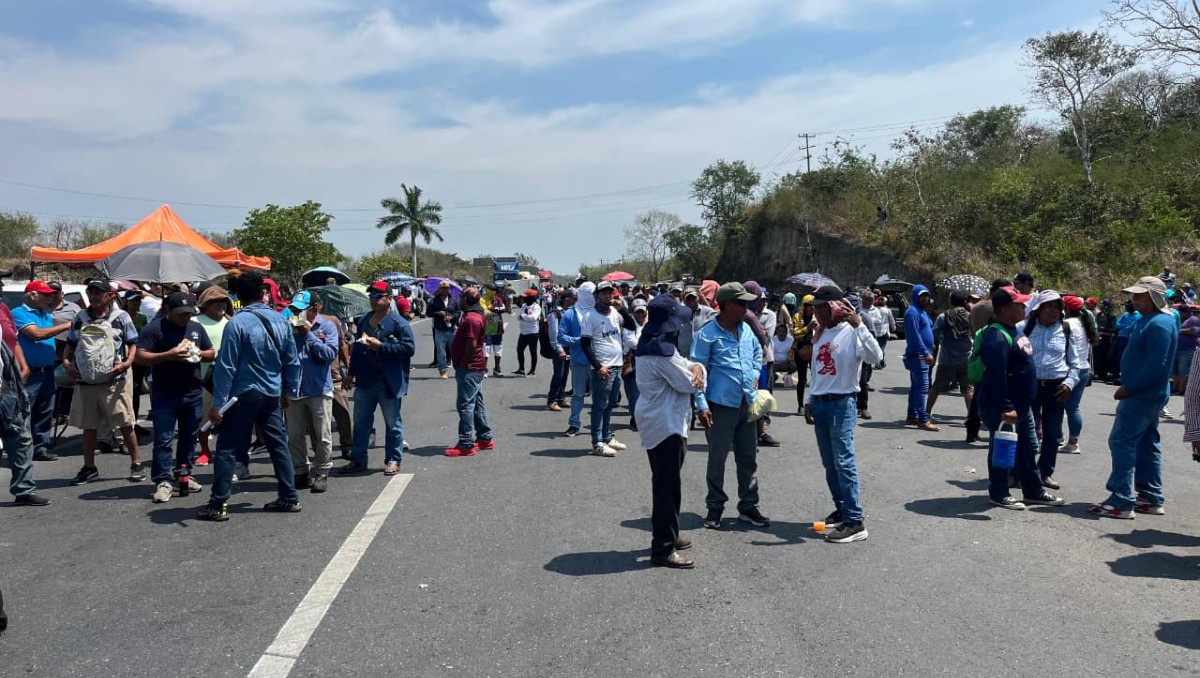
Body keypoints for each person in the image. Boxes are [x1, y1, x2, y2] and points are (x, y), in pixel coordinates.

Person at [200, 271, 302, 521]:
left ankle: (218, 504)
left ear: (237, 296)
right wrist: (289, 391)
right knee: (278, 445)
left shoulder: (236, 323)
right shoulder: (280, 320)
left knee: (227, 448)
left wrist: (217, 404)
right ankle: (289, 497)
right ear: (263, 293)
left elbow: (226, 367)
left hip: (243, 394)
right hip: (272, 393)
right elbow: (292, 360)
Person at [1090, 277, 1177, 519]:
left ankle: (1120, 499)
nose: (1134, 299)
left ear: (1153, 297)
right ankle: (1149, 496)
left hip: (1141, 394)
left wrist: (1129, 388)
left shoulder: (1159, 323)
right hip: (1149, 394)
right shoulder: (1153, 320)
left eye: (1139, 295)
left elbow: (1156, 365)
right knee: (1146, 444)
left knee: (1121, 442)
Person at [803, 285, 882, 543]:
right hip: (822, 403)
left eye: (822, 307)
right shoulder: (821, 332)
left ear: (836, 306)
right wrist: (810, 398)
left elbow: (876, 357)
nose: (817, 312)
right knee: (829, 463)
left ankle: (855, 521)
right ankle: (842, 509)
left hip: (842, 404)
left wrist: (860, 326)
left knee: (844, 462)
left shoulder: (852, 331)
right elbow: (816, 369)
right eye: (815, 307)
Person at [976, 286, 1065, 510]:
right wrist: (1006, 406)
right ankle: (999, 492)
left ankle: (1033, 490)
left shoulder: (1013, 329)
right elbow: (996, 376)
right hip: (1005, 407)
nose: (1025, 307)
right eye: (1019, 304)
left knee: (1026, 449)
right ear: (1006, 309)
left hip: (1022, 405)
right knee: (1002, 450)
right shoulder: (996, 336)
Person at [634, 295, 705, 568]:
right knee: (667, 488)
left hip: (661, 420)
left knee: (667, 484)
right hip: (665, 424)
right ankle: (663, 548)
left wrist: (697, 367)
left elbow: (689, 367)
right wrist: (697, 370)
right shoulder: (660, 351)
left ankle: (669, 536)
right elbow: (689, 382)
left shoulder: (656, 344)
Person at [692, 282, 769, 530]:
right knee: (718, 458)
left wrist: (756, 372)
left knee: (748, 457)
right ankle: (715, 507)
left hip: (746, 403)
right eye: (742, 303)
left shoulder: (746, 329)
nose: (747, 307)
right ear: (726, 305)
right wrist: (701, 405)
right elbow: (696, 373)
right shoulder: (706, 334)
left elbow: (758, 352)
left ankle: (748, 505)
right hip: (719, 406)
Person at [63, 279, 145, 485]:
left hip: (113, 379)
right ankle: (89, 467)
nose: (94, 296)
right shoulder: (80, 317)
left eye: (99, 293)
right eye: (91, 292)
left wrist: (126, 363)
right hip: (86, 380)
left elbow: (132, 342)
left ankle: (137, 464)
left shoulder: (121, 317)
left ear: (109, 296)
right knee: (88, 425)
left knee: (125, 422)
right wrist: (66, 362)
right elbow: (71, 343)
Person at [135, 292, 214, 503]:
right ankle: (163, 480)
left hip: (193, 391)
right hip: (165, 393)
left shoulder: (196, 328)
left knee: (189, 436)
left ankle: (183, 474)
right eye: (180, 314)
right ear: (168, 311)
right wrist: (168, 355)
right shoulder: (155, 328)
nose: (185, 318)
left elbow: (211, 352)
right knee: (163, 439)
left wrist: (197, 352)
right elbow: (140, 356)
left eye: (188, 314)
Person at [339, 281, 414, 475]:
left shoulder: (399, 323)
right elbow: (356, 348)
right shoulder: (364, 320)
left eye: (377, 296)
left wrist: (380, 346)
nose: (372, 300)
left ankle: (393, 459)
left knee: (392, 424)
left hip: (388, 382)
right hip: (365, 381)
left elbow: (408, 349)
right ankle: (358, 459)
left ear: (389, 299)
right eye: (370, 297)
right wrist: (350, 373)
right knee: (361, 423)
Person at [284, 291, 339, 493]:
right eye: (295, 309)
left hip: (318, 388)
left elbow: (329, 354)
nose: (298, 312)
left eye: (302, 309)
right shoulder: (287, 328)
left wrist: (308, 335)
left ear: (316, 307)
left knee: (322, 434)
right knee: (294, 435)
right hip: (294, 389)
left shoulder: (327, 326)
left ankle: (322, 471)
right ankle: (300, 470)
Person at [1023, 290, 1078, 490]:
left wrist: (1070, 383)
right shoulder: (1024, 327)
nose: (1054, 311)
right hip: (1030, 385)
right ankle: (1022, 471)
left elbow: (1075, 362)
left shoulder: (1066, 330)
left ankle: (1045, 473)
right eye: (1049, 307)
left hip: (1057, 387)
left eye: (1058, 307)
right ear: (1038, 309)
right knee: (1025, 432)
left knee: (1053, 434)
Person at [11, 281, 70, 462]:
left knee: (45, 410)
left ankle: (40, 448)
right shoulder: (19, 313)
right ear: (32, 295)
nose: (49, 298)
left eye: (51, 294)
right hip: (30, 372)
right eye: (45, 295)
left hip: (48, 370)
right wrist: (68, 325)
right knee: (24, 410)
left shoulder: (45, 314)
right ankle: (21, 448)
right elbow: (36, 334)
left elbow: (50, 337)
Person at [0, 323, 50, 506]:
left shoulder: (3, 310)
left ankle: (24, 490)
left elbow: (12, 341)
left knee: (21, 440)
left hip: (7, 391)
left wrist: (21, 364)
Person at [581, 281, 633, 457]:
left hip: (617, 364)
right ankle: (597, 442)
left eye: (610, 293)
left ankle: (607, 436)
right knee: (599, 405)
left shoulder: (615, 313)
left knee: (610, 404)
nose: (608, 296)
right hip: (603, 366)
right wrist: (598, 366)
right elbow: (585, 344)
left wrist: (623, 308)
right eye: (603, 293)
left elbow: (632, 325)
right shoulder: (590, 316)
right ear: (597, 296)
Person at [446, 287, 494, 456]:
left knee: (465, 406)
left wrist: (463, 365)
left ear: (466, 299)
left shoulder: (472, 318)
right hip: (474, 368)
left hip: (470, 368)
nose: (458, 300)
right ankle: (484, 437)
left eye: (460, 297)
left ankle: (466, 443)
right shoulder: (471, 315)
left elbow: (472, 345)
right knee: (477, 404)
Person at [194, 286, 230, 466]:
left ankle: (227, 451)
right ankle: (205, 451)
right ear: (205, 304)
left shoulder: (231, 321)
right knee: (203, 417)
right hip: (202, 378)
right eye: (216, 301)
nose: (220, 304)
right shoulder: (194, 322)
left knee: (229, 417)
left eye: (223, 301)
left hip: (228, 377)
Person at [926, 291, 974, 421]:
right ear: (964, 302)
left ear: (951, 302)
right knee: (968, 389)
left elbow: (933, 335)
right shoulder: (970, 316)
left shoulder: (943, 317)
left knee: (936, 387)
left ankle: (927, 412)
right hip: (966, 358)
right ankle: (971, 416)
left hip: (947, 359)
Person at [1060, 295, 1094, 455]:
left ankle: (1058, 437)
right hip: (1084, 369)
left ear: (1066, 308)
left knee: (1059, 406)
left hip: (1069, 369)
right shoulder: (1084, 324)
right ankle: (1073, 442)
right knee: (1073, 407)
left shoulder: (1066, 324)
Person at [557, 283, 592, 437]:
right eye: (591, 293)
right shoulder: (570, 314)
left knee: (602, 397)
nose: (594, 296)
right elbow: (561, 337)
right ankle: (574, 424)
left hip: (601, 360)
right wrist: (580, 340)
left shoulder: (600, 311)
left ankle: (601, 427)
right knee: (578, 395)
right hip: (579, 360)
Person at [903, 285, 938, 431]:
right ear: (916, 296)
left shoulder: (922, 311)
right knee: (923, 388)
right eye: (921, 295)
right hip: (918, 356)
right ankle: (923, 420)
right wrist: (925, 352)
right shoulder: (912, 312)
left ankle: (912, 416)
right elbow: (914, 336)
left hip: (922, 355)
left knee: (916, 387)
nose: (925, 298)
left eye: (926, 295)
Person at [545, 290, 573, 411]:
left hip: (568, 349)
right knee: (558, 374)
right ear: (567, 300)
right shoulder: (555, 314)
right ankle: (551, 400)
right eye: (574, 299)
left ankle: (561, 398)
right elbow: (553, 335)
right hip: (559, 350)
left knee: (565, 373)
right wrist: (559, 350)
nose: (576, 301)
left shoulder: (570, 312)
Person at [426, 280, 460, 379]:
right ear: (439, 289)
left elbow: (458, 313)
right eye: (443, 288)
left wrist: (452, 317)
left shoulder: (453, 300)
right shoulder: (433, 301)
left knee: (455, 350)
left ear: (449, 289)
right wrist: (438, 313)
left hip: (452, 329)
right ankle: (442, 370)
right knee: (441, 352)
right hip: (439, 329)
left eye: (446, 288)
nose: (445, 290)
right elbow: (428, 313)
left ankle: (458, 369)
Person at [1173, 302, 1200, 396]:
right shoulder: (1179, 319)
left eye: (1181, 313)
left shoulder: (1193, 320)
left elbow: (1193, 331)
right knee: (1175, 370)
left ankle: (1181, 389)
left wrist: (1178, 330)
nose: (1179, 314)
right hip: (1177, 349)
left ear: (1186, 312)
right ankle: (1174, 388)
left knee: (1183, 370)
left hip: (1187, 349)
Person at [515, 288, 542, 376]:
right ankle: (521, 369)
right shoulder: (524, 306)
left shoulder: (536, 307)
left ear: (532, 298)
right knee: (519, 350)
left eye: (526, 297)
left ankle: (532, 370)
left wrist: (523, 316)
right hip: (523, 332)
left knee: (532, 352)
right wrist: (524, 316)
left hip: (532, 333)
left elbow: (533, 318)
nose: (524, 299)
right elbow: (519, 317)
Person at [484, 294, 506, 377]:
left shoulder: (498, 299)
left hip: (497, 327)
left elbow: (504, 309)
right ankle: (484, 369)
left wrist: (493, 309)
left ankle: (497, 368)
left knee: (498, 348)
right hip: (487, 327)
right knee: (486, 348)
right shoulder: (482, 299)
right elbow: (481, 310)